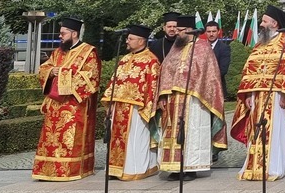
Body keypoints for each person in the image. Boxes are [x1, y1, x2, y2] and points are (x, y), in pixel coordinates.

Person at [231, 6, 285, 181]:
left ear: (274, 23)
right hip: (257, 97)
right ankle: (254, 165)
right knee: (256, 130)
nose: (261, 24)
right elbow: (249, 70)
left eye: (264, 21)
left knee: (275, 130)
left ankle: (275, 166)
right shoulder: (259, 44)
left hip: (277, 97)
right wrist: (248, 95)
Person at [152, 15, 228, 179]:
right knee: (171, 134)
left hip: (195, 101)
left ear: (189, 30)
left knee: (193, 132)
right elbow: (165, 71)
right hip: (173, 100)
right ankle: (173, 168)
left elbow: (211, 77)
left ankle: (190, 167)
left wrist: (197, 89)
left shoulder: (203, 48)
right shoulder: (175, 48)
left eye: (180, 30)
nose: (176, 33)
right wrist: (162, 96)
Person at [32, 17, 102, 181]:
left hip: (74, 105)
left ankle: (70, 169)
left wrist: (63, 73)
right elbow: (44, 68)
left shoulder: (88, 52)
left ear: (74, 33)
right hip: (55, 104)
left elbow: (92, 78)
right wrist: (51, 71)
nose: (60, 36)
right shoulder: (57, 52)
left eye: (63, 33)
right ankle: (48, 169)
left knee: (69, 140)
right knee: (50, 138)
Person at [100, 24, 160, 181]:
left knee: (135, 139)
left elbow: (153, 86)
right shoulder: (124, 59)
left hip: (136, 108)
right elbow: (114, 82)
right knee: (115, 139)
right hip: (118, 106)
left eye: (131, 39)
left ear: (141, 41)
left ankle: (136, 169)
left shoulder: (151, 61)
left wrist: (146, 106)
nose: (127, 41)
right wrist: (110, 104)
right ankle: (115, 169)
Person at [205, 20, 232, 102]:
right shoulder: (200, 47)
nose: (211, 34)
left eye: (214, 31)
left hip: (217, 87)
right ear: (205, 32)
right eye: (209, 31)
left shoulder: (224, 48)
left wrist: (205, 78)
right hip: (201, 89)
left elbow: (223, 70)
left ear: (218, 32)